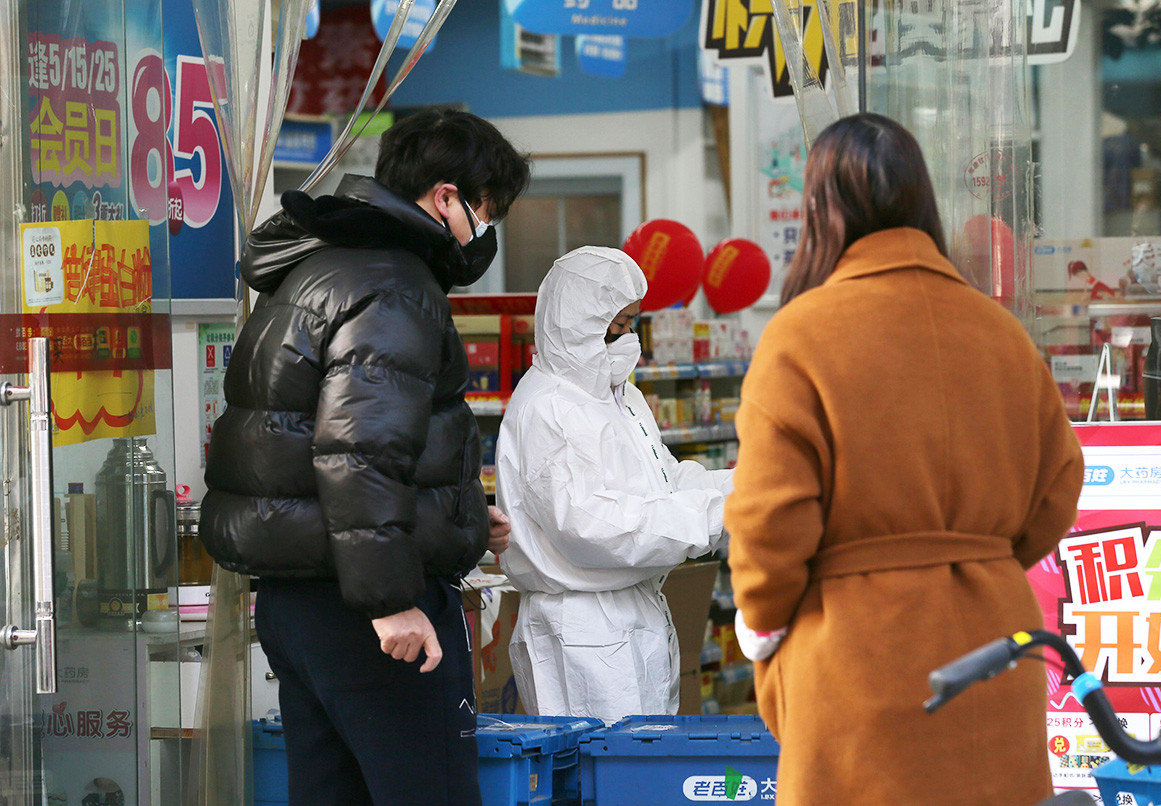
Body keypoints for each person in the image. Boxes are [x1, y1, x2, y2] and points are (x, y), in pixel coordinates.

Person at [723, 113, 1084, 806]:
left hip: (859, 662)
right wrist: (982, 557)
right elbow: (1058, 490)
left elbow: (771, 520)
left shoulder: (801, 336)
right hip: (996, 651)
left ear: (820, 210)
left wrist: (762, 627)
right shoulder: (1002, 335)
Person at [199, 106, 530, 806]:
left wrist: (460, 513)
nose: (485, 231)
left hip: (301, 599)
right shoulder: (396, 285)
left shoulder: (318, 267)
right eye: (486, 210)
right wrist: (391, 600)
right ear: (446, 198)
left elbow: (320, 440)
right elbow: (360, 449)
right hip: (366, 611)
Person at [495, 246, 733, 725]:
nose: (626, 336)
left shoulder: (620, 396)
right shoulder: (548, 407)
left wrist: (743, 486)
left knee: (639, 778)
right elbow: (592, 528)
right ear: (579, 320)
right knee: (601, 783)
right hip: (581, 633)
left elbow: (663, 481)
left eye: (630, 323)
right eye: (618, 324)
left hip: (631, 617)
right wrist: (712, 517)